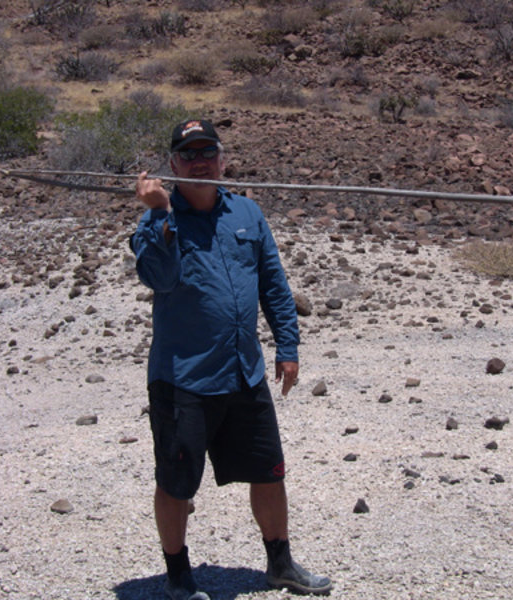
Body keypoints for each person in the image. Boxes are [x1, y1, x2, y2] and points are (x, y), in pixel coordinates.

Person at [129, 119, 332, 600]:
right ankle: (178, 577)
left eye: (207, 152)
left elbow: (274, 285)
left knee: (269, 472)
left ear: (223, 159)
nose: (199, 162)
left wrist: (288, 347)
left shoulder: (247, 213)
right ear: (173, 166)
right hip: (184, 378)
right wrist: (160, 214)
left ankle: (280, 564)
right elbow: (157, 278)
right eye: (188, 155)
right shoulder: (156, 221)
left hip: (244, 372)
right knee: (177, 481)